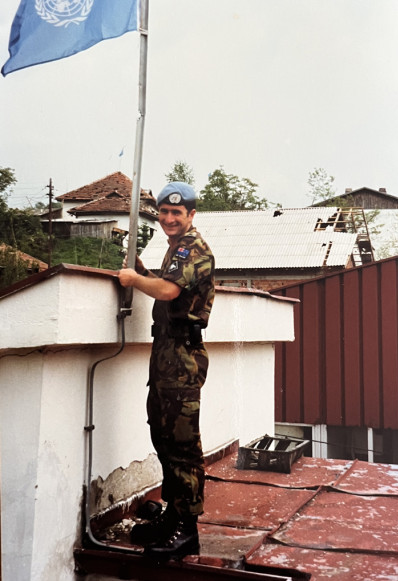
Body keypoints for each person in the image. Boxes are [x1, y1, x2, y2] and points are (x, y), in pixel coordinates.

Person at [118, 182, 215, 559]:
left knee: (182, 445)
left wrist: (133, 280)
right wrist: (140, 269)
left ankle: (187, 531)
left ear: (191, 215)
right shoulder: (176, 248)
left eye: (177, 212)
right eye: (164, 212)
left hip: (182, 356)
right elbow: (164, 283)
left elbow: (168, 292)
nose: (169, 219)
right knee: (163, 437)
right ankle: (173, 516)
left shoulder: (193, 247)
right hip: (166, 354)